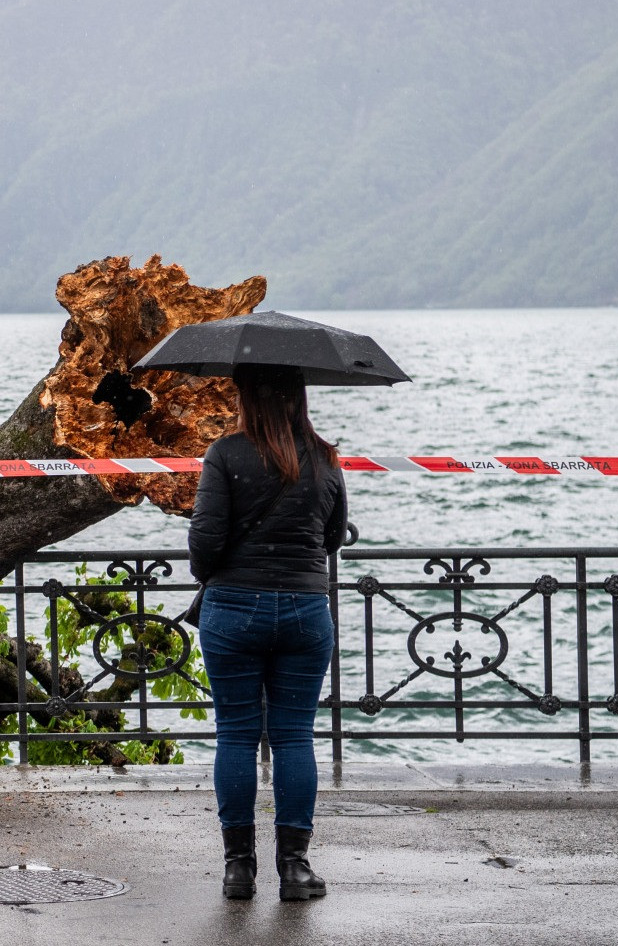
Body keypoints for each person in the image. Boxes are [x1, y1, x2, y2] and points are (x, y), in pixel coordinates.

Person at [187, 363, 346, 902]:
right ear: (299, 396)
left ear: (246, 396)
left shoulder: (225, 453)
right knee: (294, 736)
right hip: (305, 608)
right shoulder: (324, 457)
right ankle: (295, 871)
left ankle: (238, 870)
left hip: (233, 608)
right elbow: (333, 532)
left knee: (235, 733)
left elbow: (205, 542)